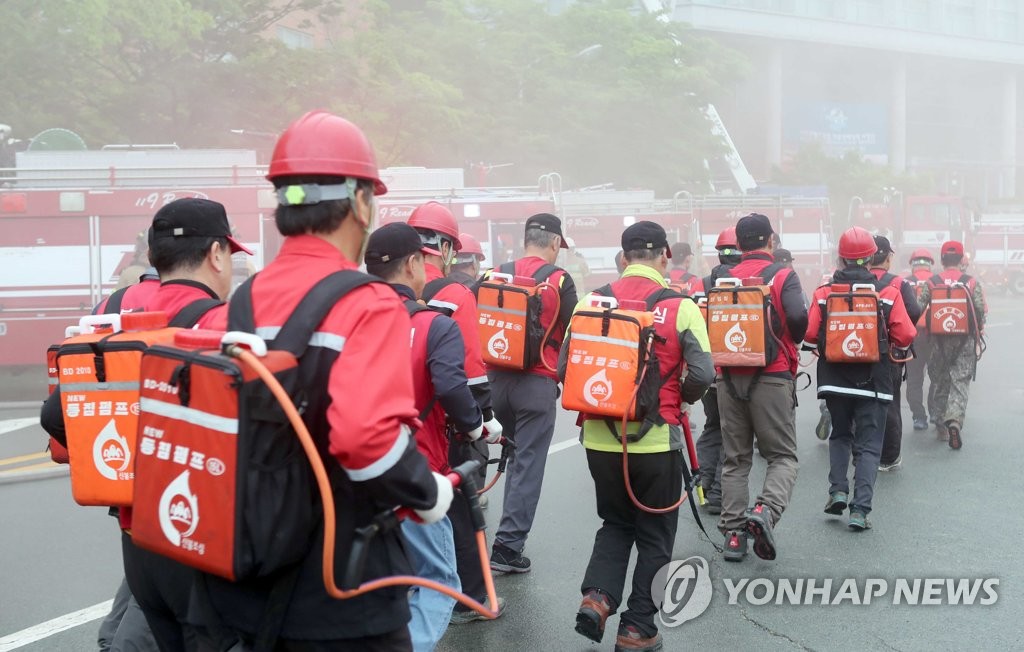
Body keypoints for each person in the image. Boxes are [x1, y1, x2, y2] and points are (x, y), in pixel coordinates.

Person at [193, 110, 451, 650]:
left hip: (243, 581)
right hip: (343, 588)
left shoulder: (227, 311)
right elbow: (364, 438)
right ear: (360, 201)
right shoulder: (369, 306)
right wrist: (427, 494)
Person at [42, 198, 250, 652]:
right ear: (217, 254)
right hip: (200, 539)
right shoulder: (226, 326)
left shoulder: (116, 318)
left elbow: (54, 414)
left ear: (154, 256)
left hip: (137, 540)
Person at [564, 221, 713, 652]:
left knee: (615, 521)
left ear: (624, 255)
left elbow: (563, 370)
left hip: (598, 439)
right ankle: (637, 628)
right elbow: (703, 373)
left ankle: (597, 599)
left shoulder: (591, 302)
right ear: (665, 255)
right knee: (655, 532)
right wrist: (680, 399)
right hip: (654, 440)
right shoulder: (680, 306)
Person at [364, 222, 501, 650]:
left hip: (355, 476)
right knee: (440, 583)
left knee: (379, 587)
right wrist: (477, 425)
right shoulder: (433, 325)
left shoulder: (349, 324)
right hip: (417, 471)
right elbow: (452, 386)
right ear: (412, 264)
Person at [406, 203, 507, 623]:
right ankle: (472, 595)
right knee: (462, 508)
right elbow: (468, 371)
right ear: (445, 247)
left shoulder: (380, 290)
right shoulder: (454, 294)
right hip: (443, 424)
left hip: (391, 424)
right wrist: (482, 421)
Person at [481, 213, 578, 573]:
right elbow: (573, 333)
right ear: (554, 243)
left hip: (494, 383)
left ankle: (480, 532)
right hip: (536, 385)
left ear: (526, 240)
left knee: (510, 460)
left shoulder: (494, 274)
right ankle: (507, 547)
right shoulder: (559, 280)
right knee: (527, 465)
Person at [804, 227, 916, 530]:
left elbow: (811, 333)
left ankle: (837, 490)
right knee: (869, 446)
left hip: (834, 379)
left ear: (840, 257)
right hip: (874, 381)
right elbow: (905, 333)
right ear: (871, 258)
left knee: (840, 435)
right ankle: (860, 510)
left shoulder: (824, 292)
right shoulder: (888, 294)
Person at [716, 214, 807, 562]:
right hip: (772, 374)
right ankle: (765, 511)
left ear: (738, 245)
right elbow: (799, 319)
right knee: (782, 456)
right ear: (771, 240)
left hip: (727, 376)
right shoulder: (783, 275)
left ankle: (734, 538)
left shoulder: (720, 276)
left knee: (735, 458)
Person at [689, 226, 741, 514]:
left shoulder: (701, 284)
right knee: (733, 431)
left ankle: (705, 484)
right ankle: (720, 493)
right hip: (736, 372)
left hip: (706, 372)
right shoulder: (748, 283)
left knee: (713, 426)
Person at [924, 240, 986, 450]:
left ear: (942, 260)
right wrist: (978, 330)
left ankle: (941, 425)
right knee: (960, 382)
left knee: (940, 381)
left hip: (938, 341)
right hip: (964, 341)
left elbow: (917, 307)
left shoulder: (932, 282)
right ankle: (955, 421)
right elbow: (979, 309)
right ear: (961, 260)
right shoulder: (971, 282)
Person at [869, 236, 923, 472]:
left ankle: (864, 452)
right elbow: (914, 310)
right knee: (889, 402)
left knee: (862, 402)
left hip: (855, 353)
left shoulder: (856, 280)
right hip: (889, 353)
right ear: (888, 259)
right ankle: (889, 457)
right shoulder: (898, 284)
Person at [903, 248, 935, 431]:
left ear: (913, 264)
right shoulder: (936, 282)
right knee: (936, 377)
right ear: (930, 263)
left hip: (912, 337)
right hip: (935, 337)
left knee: (914, 380)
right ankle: (934, 411)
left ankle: (919, 417)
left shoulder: (905, 282)